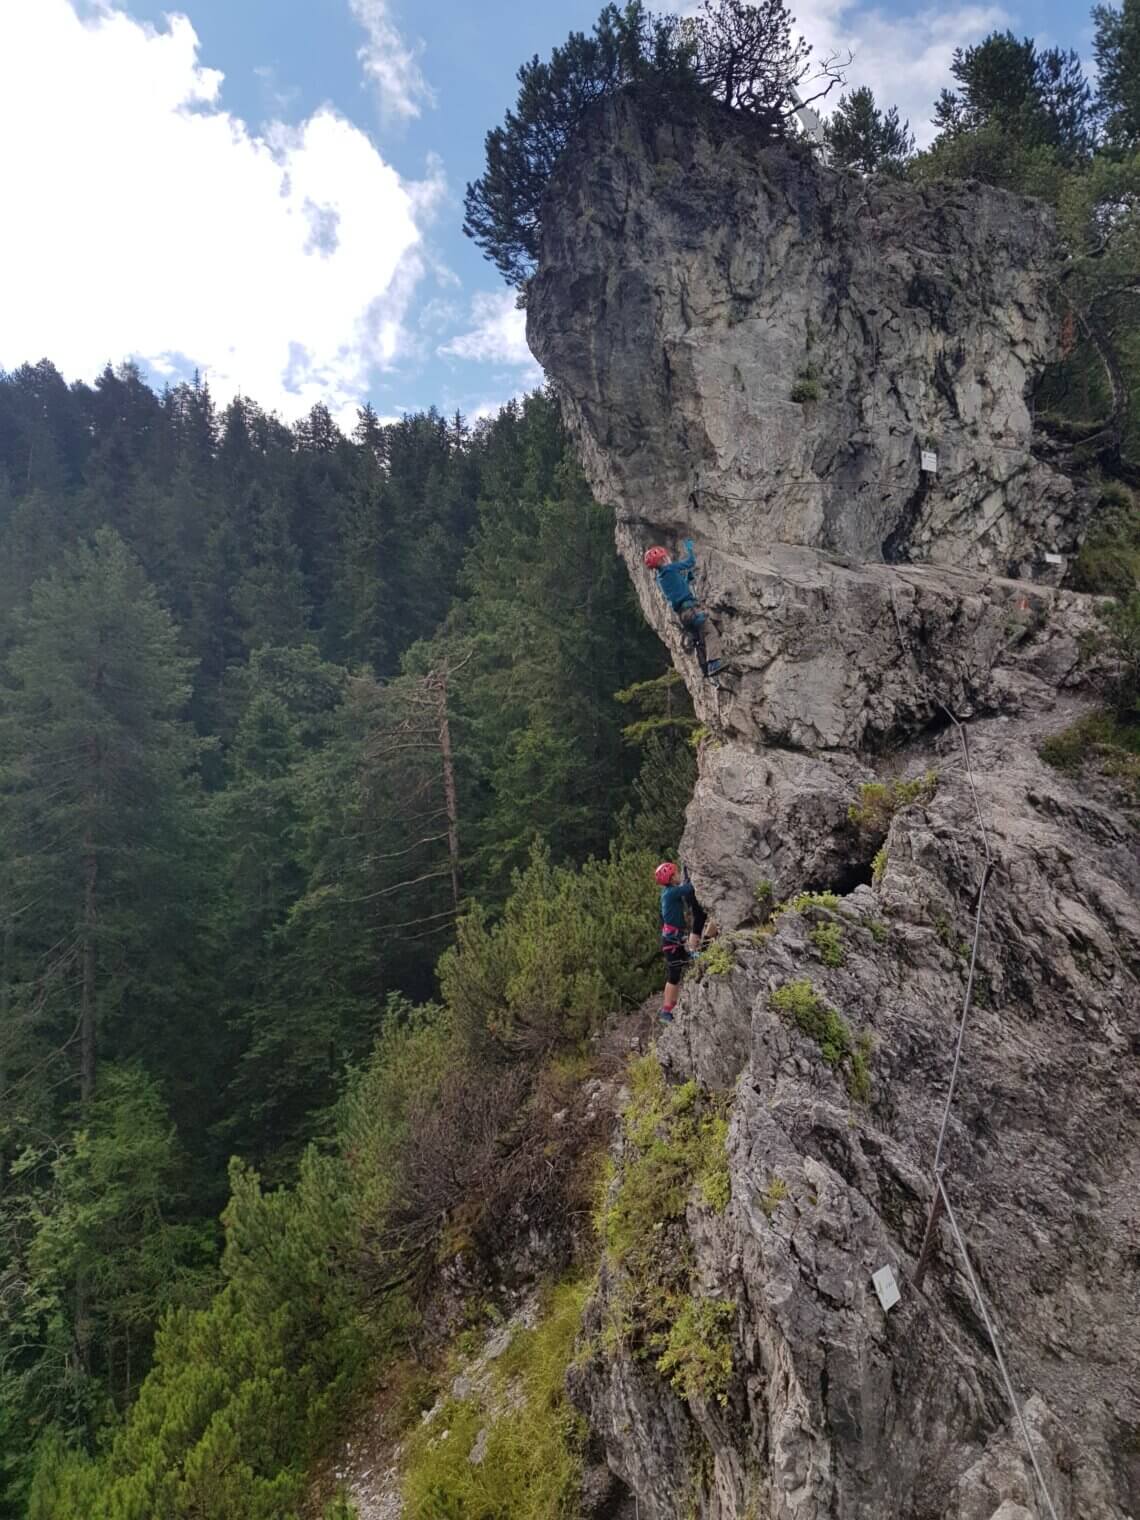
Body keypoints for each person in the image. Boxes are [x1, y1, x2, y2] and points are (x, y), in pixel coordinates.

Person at [643, 541, 724, 679]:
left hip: (683, 615)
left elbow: (676, 589)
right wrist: (690, 550)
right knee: (710, 632)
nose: (669, 558)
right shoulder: (670, 568)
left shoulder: (660, 579)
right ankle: (714, 664)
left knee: (699, 640)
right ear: (663, 560)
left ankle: (704, 669)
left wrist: (686, 579)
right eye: (666, 557)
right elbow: (690, 562)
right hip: (691, 610)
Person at [655, 861, 707, 1023]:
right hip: (671, 941)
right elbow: (690, 887)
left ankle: (693, 955)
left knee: (683, 965)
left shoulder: (668, 892)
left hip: (672, 940)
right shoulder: (671, 893)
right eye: (676, 874)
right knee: (674, 975)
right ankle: (666, 1010)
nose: (679, 875)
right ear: (671, 879)